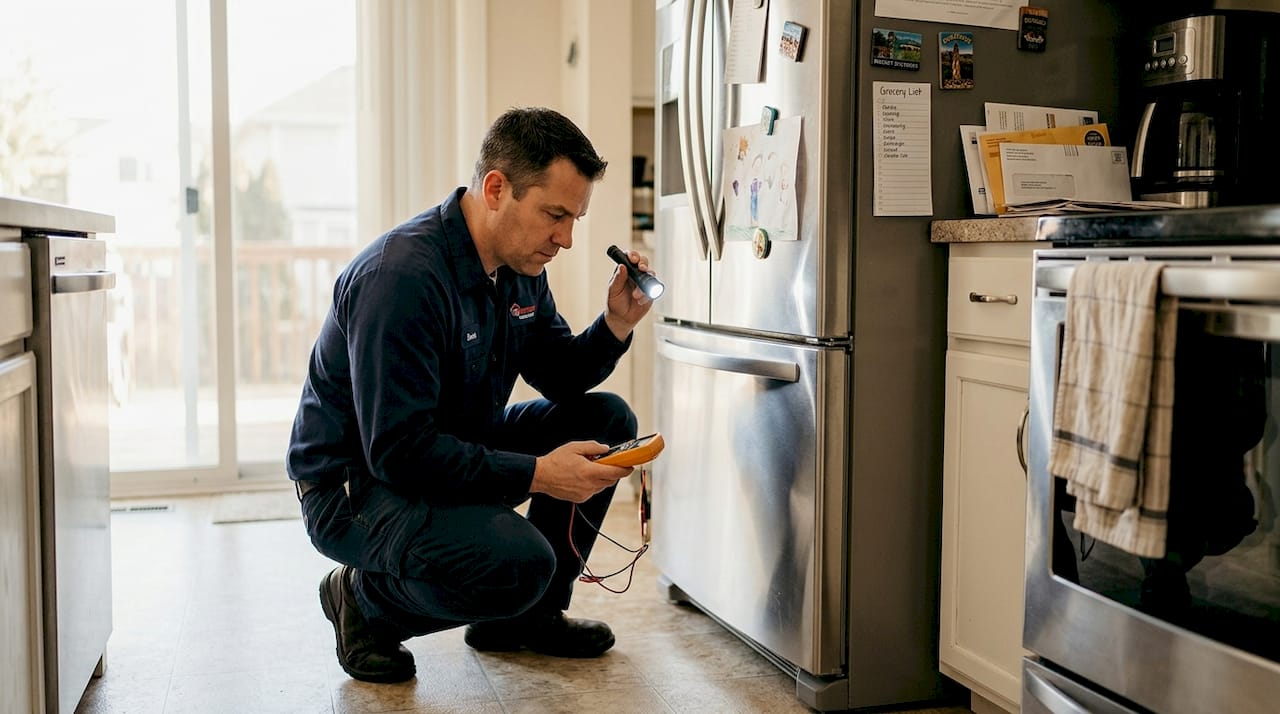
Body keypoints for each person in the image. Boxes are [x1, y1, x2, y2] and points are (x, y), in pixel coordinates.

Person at [286, 106, 658, 683]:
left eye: (574, 219)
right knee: (519, 563)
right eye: (555, 215)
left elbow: (559, 374)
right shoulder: (402, 279)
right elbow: (399, 452)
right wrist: (537, 474)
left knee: (605, 419)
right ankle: (362, 603)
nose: (565, 238)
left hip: (447, 445)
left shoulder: (519, 265)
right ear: (495, 189)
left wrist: (616, 324)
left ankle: (524, 620)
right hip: (356, 484)